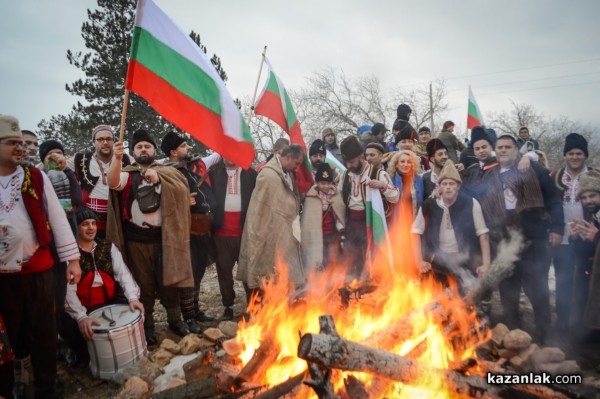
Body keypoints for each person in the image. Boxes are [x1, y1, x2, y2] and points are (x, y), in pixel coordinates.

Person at [0, 115, 82, 398]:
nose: (19, 148)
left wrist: (72, 260)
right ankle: (19, 379)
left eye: (20, 143)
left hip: (39, 268)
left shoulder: (35, 177)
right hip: (3, 274)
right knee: (13, 329)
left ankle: (47, 386)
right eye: (11, 143)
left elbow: (58, 220)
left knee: (45, 329)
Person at [107, 129, 194, 344]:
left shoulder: (168, 171)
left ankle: (175, 320)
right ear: (133, 151)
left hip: (165, 237)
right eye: (139, 147)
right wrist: (117, 159)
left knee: (169, 282)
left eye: (147, 146)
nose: (143, 149)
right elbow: (112, 182)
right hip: (136, 240)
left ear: (154, 150)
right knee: (143, 285)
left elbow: (181, 192)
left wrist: (160, 181)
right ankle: (148, 326)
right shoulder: (126, 173)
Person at [492, 135, 563, 342]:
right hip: (505, 241)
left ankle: (544, 335)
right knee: (507, 290)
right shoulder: (492, 175)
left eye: (508, 147)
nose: (503, 150)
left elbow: (554, 201)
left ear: (516, 150)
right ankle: (513, 334)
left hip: (534, 239)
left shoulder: (535, 171)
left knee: (537, 288)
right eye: (500, 147)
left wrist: (557, 228)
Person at [60, 207, 143, 367]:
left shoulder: (107, 247)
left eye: (93, 223)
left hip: (109, 301)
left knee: (134, 315)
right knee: (67, 326)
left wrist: (132, 297)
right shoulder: (70, 257)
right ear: (76, 228)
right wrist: (81, 317)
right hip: (84, 307)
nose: (91, 228)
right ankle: (77, 350)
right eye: (85, 224)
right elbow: (68, 291)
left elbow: (123, 274)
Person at [161, 131, 221, 332]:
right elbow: (162, 201)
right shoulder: (168, 173)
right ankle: (188, 318)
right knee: (189, 276)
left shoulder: (188, 169)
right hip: (186, 232)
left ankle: (195, 310)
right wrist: (183, 202)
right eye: (184, 146)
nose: (189, 148)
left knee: (198, 273)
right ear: (173, 151)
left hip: (201, 230)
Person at [237, 144, 306, 302]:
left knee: (283, 271)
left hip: (284, 231)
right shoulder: (268, 175)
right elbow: (263, 210)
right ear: (288, 157)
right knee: (266, 272)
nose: (297, 168)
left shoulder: (286, 173)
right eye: (296, 163)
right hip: (266, 232)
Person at [412, 161, 491, 296]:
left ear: (458, 186)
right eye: (444, 184)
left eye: (452, 184)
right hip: (437, 261)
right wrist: (419, 261)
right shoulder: (429, 205)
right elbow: (415, 232)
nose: (448, 187)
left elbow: (483, 235)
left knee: (465, 303)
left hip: (465, 262)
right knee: (434, 302)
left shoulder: (471, 203)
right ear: (439, 187)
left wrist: (486, 264)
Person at [549, 133, 593, 333]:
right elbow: (548, 205)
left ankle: (584, 324)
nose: (575, 157)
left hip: (589, 239)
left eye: (579, 153)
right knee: (562, 279)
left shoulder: (595, 176)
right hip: (563, 238)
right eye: (571, 153)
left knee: (587, 281)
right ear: (565, 155)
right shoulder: (555, 176)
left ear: (585, 156)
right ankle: (562, 321)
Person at [338, 136, 399, 278]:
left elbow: (395, 196)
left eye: (352, 162)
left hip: (370, 223)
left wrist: (382, 186)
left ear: (361, 157)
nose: (349, 166)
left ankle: (373, 291)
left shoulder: (379, 174)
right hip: (350, 225)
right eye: (346, 163)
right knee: (351, 261)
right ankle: (354, 292)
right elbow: (339, 198)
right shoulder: (346, 175)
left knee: (373, 261)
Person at [209, 157, 257, 320]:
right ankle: (228, 306)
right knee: (224, 272)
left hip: (245, 233)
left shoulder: (250, 173)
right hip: (221, 234)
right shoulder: (214, 172)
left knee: (248, 271)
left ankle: (253, 305)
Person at [68, 125, 132, 238]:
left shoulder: (126, 159)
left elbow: (144, 167)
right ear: (93, 142)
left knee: (114, 252)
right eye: (100, 139)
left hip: (116, 219)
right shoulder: (80, 159)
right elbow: (57, 167)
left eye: (109, 139)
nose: (105, 142)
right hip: (88, 221)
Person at [569, 171, 600, 341]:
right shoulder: (594, 218)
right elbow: (586, 254)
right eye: (585, 197)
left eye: (593, 196)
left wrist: (597, 236)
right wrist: (575, 239)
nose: (588, 200)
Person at [301, 163, 346, 271]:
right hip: (317, 235)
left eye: (328, 183)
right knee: (318, 260)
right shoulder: (311, 197)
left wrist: (341, 227)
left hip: (332, 235)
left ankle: (333, 282)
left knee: (333, 259)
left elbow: (339, 213)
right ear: (317, 182)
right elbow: (308, 220)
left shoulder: (336, 194)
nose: (326, 186)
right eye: (322, 183)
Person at [387, 150, 424, 219]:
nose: (406, 164)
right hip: (398, 222)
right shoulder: (391, 180)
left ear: (413, 164)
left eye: (409, 162)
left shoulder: (419, 179)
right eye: (402, 161)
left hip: (416, 221)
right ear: (396, 164)